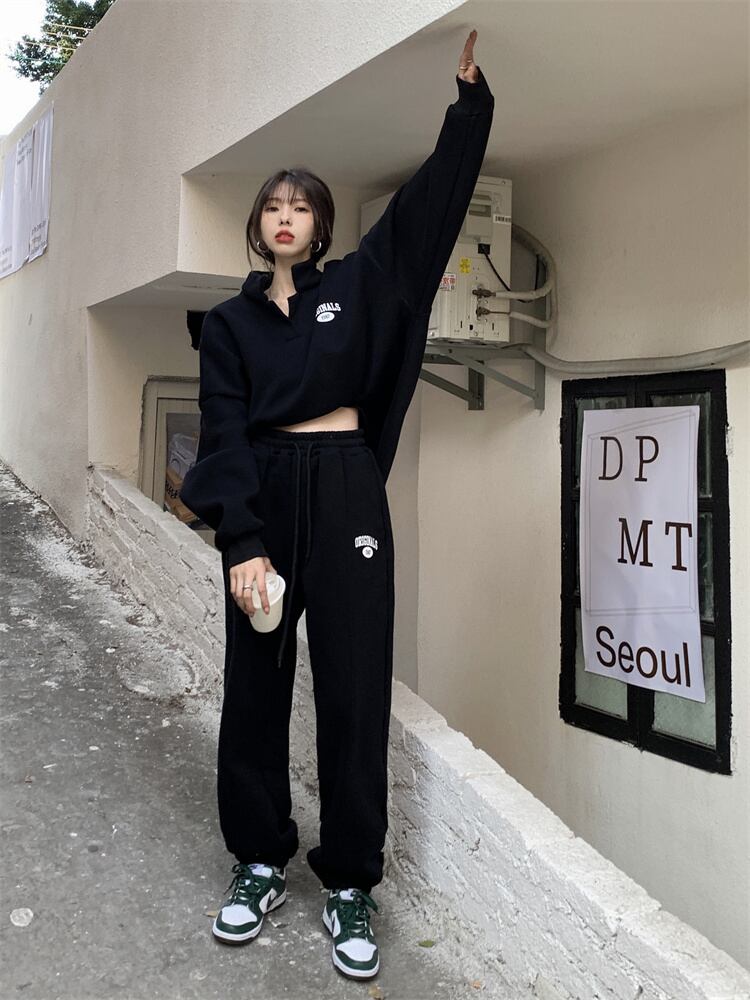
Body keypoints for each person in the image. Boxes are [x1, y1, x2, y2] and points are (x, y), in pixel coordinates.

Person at [179, 29, 494, 981]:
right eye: (272, 206)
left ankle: (351, 880)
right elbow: (222, 432)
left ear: (320, 226)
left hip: (348, 485)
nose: (286, 217)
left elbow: (428, 211)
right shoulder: (228, 323)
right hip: (266, 493)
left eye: (301, 206)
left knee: (355, 687)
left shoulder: (361, 285)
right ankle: (259, 860)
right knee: (256, 685)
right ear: (257, 225)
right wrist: (242, 539)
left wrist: (467, 108)